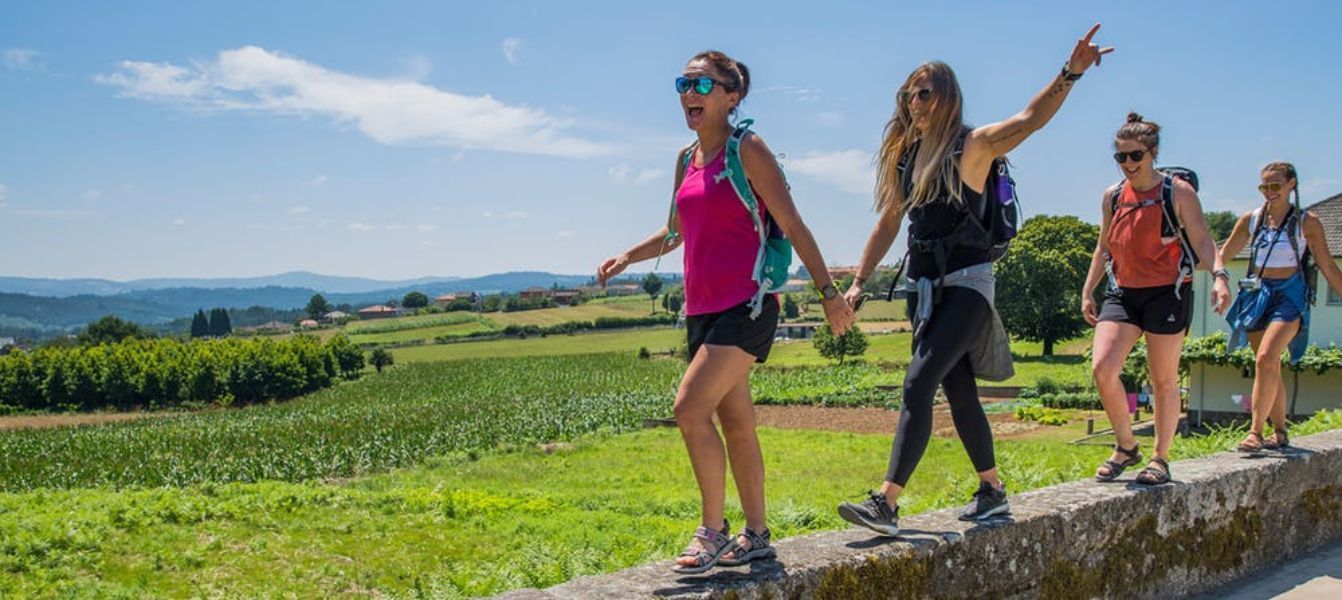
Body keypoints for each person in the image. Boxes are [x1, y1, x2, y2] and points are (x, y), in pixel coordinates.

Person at [837, 25, 1114, 537]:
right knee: (959, 392)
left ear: (945, 96)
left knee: (918, 384)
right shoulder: (906, 159)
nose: (913, 102)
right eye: (907, 94)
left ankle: (887, 503)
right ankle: (992, 491)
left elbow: (1030, 121)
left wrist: (1070, 72)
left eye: (922, 92)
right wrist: (858, 281)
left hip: (966, 286)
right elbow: (889, 223)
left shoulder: (972, 146)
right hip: (925, 293)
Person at [597, 50, 855, 572]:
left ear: (732, 96)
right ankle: (756, 534)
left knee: (689, 409)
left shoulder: (748, 149)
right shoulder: (684, 158)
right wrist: (629, 254)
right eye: (682, 84)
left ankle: (712, 531)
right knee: (736, 423)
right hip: (702, 310)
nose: (688, 93)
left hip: (749, 304)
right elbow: (674, 233)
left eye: (701, 84)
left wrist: (828, 293)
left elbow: (793, 221)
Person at [1081, 113, 1228, 485]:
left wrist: (1221, 276)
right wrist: (1088, 289)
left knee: (1163, 380)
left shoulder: (1177, 192)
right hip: (1124, 292)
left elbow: (1203, 241)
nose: (1128, 164)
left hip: (1168, 292)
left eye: (1135, 156)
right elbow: (1104, 247)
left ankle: (1160, 458)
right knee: (1103, 368)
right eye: (1121, 157)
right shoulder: (1113, 197)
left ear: (1152, 153)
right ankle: (1127, 447)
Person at [1217, 162, 1342, 452]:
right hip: (1258, 295)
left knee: (1265, 358)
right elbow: (1222, 256)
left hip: (1290, 296)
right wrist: (1215, 279)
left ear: (1291, 185)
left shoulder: (1306, 222)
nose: (1269, 192)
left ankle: (1255, 432)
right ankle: (1281, 431)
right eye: (1264, 186)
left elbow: (1327, 265)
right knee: (1269, 365)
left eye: (1275, 186)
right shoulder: (1252, 219)